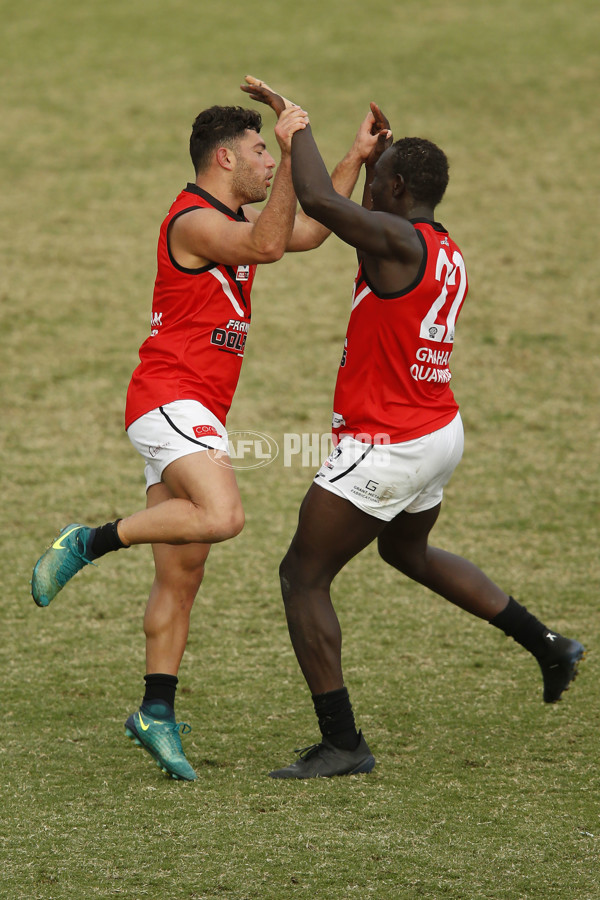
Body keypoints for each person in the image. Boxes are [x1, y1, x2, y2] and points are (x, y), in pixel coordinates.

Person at [31, 80, 385, 782]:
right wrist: (292, 154)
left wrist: (350, 156)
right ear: (224, 159)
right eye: (258, 152)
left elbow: (302, 233)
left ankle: (154, 712)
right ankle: (89, 540)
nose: (266, 163)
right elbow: (266, 244)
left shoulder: (233, 217)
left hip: (198, 410)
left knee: (183, 566)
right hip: (169, 399)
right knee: (222, 516)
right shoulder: (193, 220)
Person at [241, 79, 585, 780]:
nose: (368, 191)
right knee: (409, 554)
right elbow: (369, 208)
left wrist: (293, 123)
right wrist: (379, 154)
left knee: (302, 577)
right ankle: (549, 645)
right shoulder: (438, 244)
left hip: (387, 444)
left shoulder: (395, 239)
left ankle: (343, 744)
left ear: (397, 192)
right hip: (436, 433)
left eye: (379, 182)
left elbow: (318, 204)